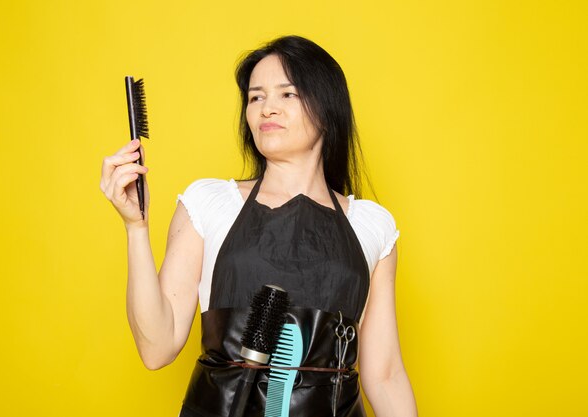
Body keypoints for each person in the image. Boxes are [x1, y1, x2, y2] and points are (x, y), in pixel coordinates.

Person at [100, 35, 417, 417]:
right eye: (256, 97)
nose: (267, 108)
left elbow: (384, 376)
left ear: (328, 106)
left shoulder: (372, 227)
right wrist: (136, 228)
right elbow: (157, 348)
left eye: (287, 94)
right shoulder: (210, 204)